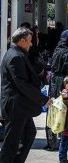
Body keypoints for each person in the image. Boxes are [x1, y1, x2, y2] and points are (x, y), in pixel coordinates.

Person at [0, 27, 51, 163]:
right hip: (16, 107)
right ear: (22, 40)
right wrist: (43, 99)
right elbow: (22, 84)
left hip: (21, 107)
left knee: (29, 134)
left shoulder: (16, 53)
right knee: (11, 142)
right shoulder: (15, 56)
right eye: (29, 40)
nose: (31, 44)